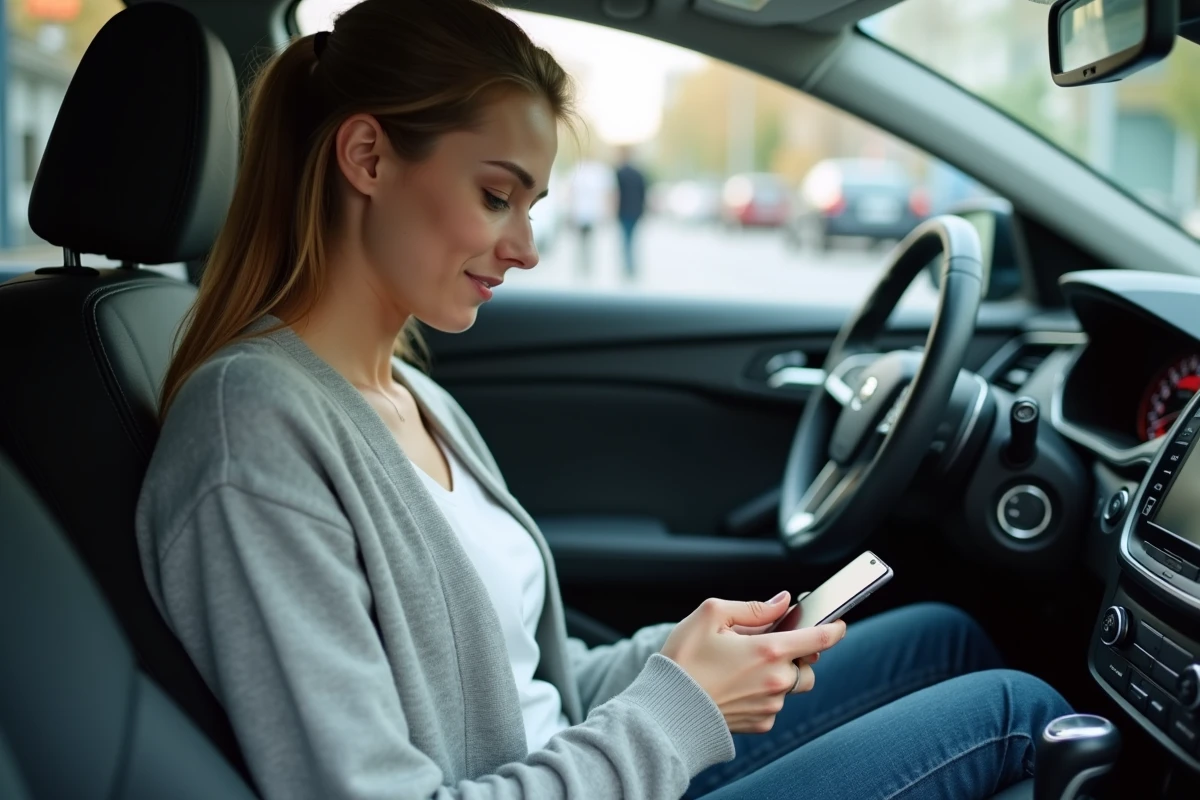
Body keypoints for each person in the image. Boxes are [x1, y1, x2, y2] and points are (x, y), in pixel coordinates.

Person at [136, 1, 1073, 799]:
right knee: (1016, 715)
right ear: (369, 157)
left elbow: (526, 690)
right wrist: (680, 707)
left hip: (576, 769)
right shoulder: (251, 432)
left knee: (945, 640)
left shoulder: (412, 394)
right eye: (497, 194)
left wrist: (678, 657)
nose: (526, 247)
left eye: (533, 205)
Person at [566, 157, 613, 277]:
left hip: (589, 214)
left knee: (586, 242)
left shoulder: (589, 172)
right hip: (582, 214)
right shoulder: (583, 171)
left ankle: (586, 267)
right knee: (582, 242)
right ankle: (583, 266)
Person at [614, 146, 648, 279]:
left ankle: (627, 265)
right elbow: (643, 193)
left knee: (625, 239)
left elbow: (616, 194)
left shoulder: (619, 173)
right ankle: (631, 265)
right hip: (636, 211)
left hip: (623, 211)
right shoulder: (639, 173)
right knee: (632, 239)